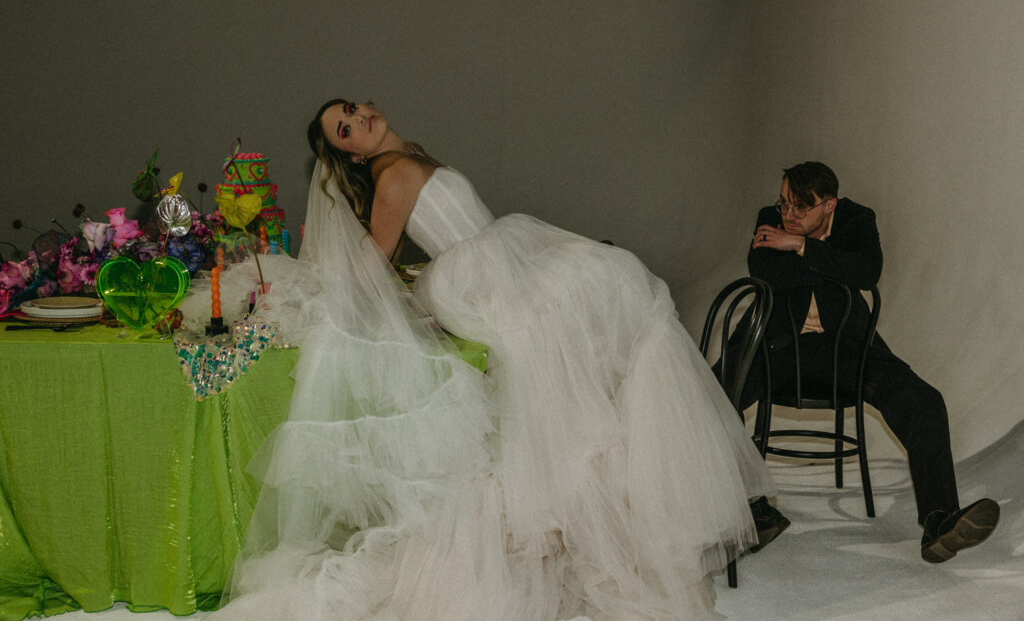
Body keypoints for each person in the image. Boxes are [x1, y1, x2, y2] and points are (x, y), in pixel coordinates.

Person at [210, 99, 778, 620]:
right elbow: (374, 256)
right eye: (345, 127)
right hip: (479, 274)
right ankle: (606, 521)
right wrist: (367, 304)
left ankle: (620, 514)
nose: (360, 119)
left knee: (602, 327)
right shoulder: (395, 173)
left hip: (493, 259)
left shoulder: (406, 158)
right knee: (610, 296)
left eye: (355, 109)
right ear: (348, 151)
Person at [739, 160, 999, 563]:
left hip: (849, 350)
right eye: (783, 203)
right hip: (778, 348)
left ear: (829, 205)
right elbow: (765, 271)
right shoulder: (768, 218)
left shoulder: (857, 219)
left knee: (923, 400)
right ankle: (750, 512)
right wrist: (832, 264)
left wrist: (800, 247)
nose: (786, 215)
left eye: (799, 207)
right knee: (713, 394)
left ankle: (939, 520)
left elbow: (867, 273)